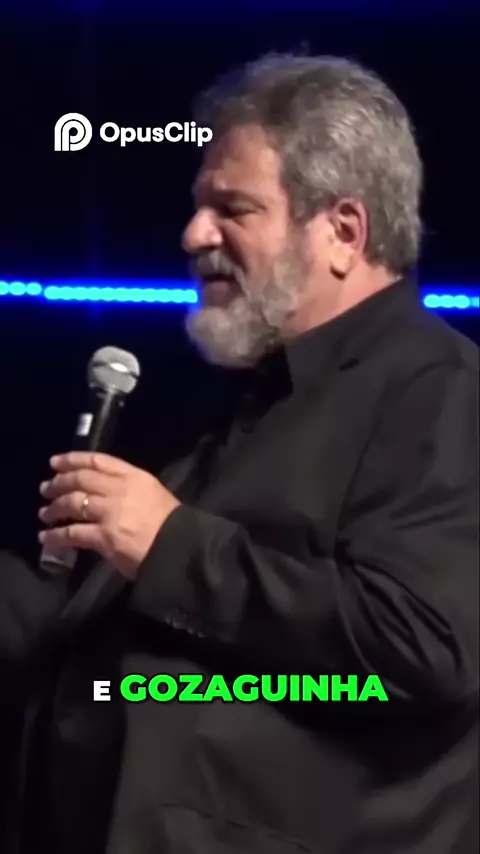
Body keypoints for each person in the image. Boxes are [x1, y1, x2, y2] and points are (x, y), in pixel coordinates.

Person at [0, 53, 478, 854]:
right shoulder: (229, 394)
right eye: (198, 206)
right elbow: (76, 611)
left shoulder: (442, 391)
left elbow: (423, 650)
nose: (194, 235)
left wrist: (170, 546)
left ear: (343, 232)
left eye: (234, 208)